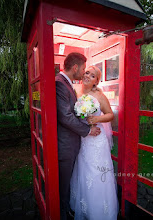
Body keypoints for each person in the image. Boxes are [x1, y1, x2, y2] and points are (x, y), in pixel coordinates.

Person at [55, 53, 101, 220]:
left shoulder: (66, 84)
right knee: (62, 187)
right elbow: (65, 117)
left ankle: (66, 210)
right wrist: (88, 130)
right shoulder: (60, 84)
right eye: (83, 69)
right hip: (65, 146)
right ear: (75, 68)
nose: (83, 73)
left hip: (71, 144)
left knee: (66, 185)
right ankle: (61, 214)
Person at [70, 66, 119, 220]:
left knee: (96, 174)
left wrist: (96, 119)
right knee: (83, 172)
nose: (87, 76)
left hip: (97, 141)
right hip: (82, 139)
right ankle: (84, 209)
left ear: (96, 81)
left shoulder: (99, 95)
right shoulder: (75, 91)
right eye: (86, 73)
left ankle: (99, 212)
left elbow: (110, 115)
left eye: (92, 76)